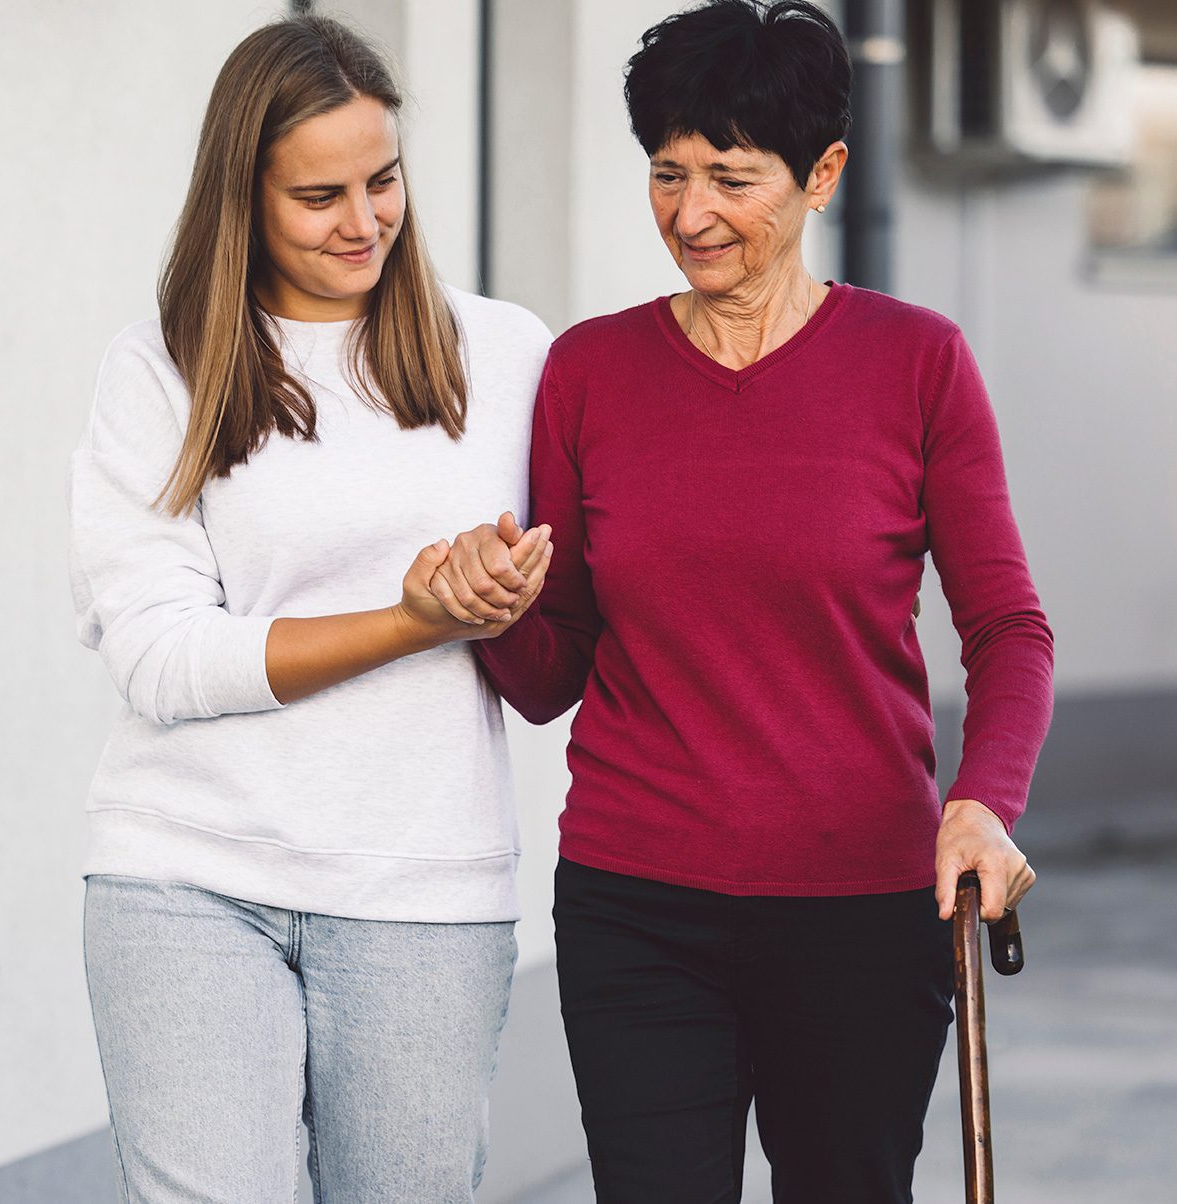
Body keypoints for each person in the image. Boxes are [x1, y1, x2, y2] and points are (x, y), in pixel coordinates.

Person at [429, 2, 1054, 1200]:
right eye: (667, 173)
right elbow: (556, 671)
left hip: (865, 909)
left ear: (824, 175)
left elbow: (1008, 629)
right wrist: (489, 609)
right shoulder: (591, 372)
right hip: (636, 908)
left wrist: (984, 801)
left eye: (731, 176)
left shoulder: (917, 364)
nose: (691, 213)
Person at [66, 15, 554, 1203]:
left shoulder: (505, 357)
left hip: (425, 889)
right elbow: (165, 658)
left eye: (382, 181)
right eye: (318, 195)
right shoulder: (162, 370)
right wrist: (417, 618)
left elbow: (571, 622)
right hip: (188, 880)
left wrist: (506, 598)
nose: (363, 221)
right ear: (245, 198)